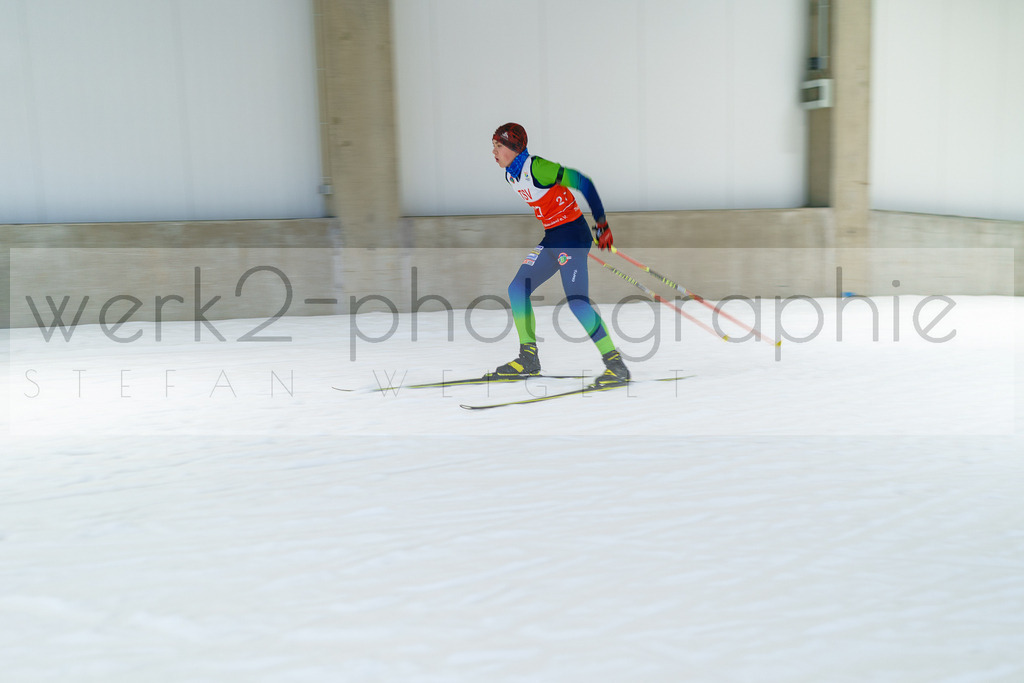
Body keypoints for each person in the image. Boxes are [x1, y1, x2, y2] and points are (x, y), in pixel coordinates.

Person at [488, 122, 630, 386]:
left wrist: (602, 225)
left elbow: (583, 183)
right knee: (517, 288)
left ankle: (616, 365)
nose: (493, 151)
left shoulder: (537, 167)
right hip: (553, 237)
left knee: (577, 302)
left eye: (498, 145)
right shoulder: (511, 174)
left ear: (514, 147)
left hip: (572, 238)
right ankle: (528, 358)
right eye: (493, 146)